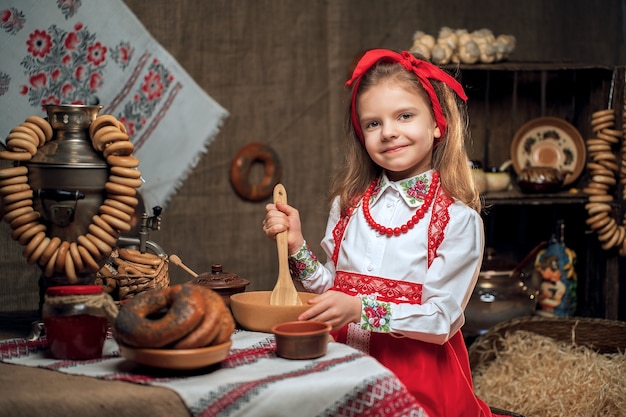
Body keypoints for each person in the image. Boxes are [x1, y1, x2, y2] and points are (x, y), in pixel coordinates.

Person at [263, 49, 502, 417]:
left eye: (404, 116)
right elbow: (333, 292)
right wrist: (296, 246)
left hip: (416, 376)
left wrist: (360, 309)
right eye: (373, 123)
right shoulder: (349, 203)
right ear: (362, 135)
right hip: (342, 364)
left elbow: (440, 320)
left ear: (437, 124)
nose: (388, 132)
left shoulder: (456, 219)